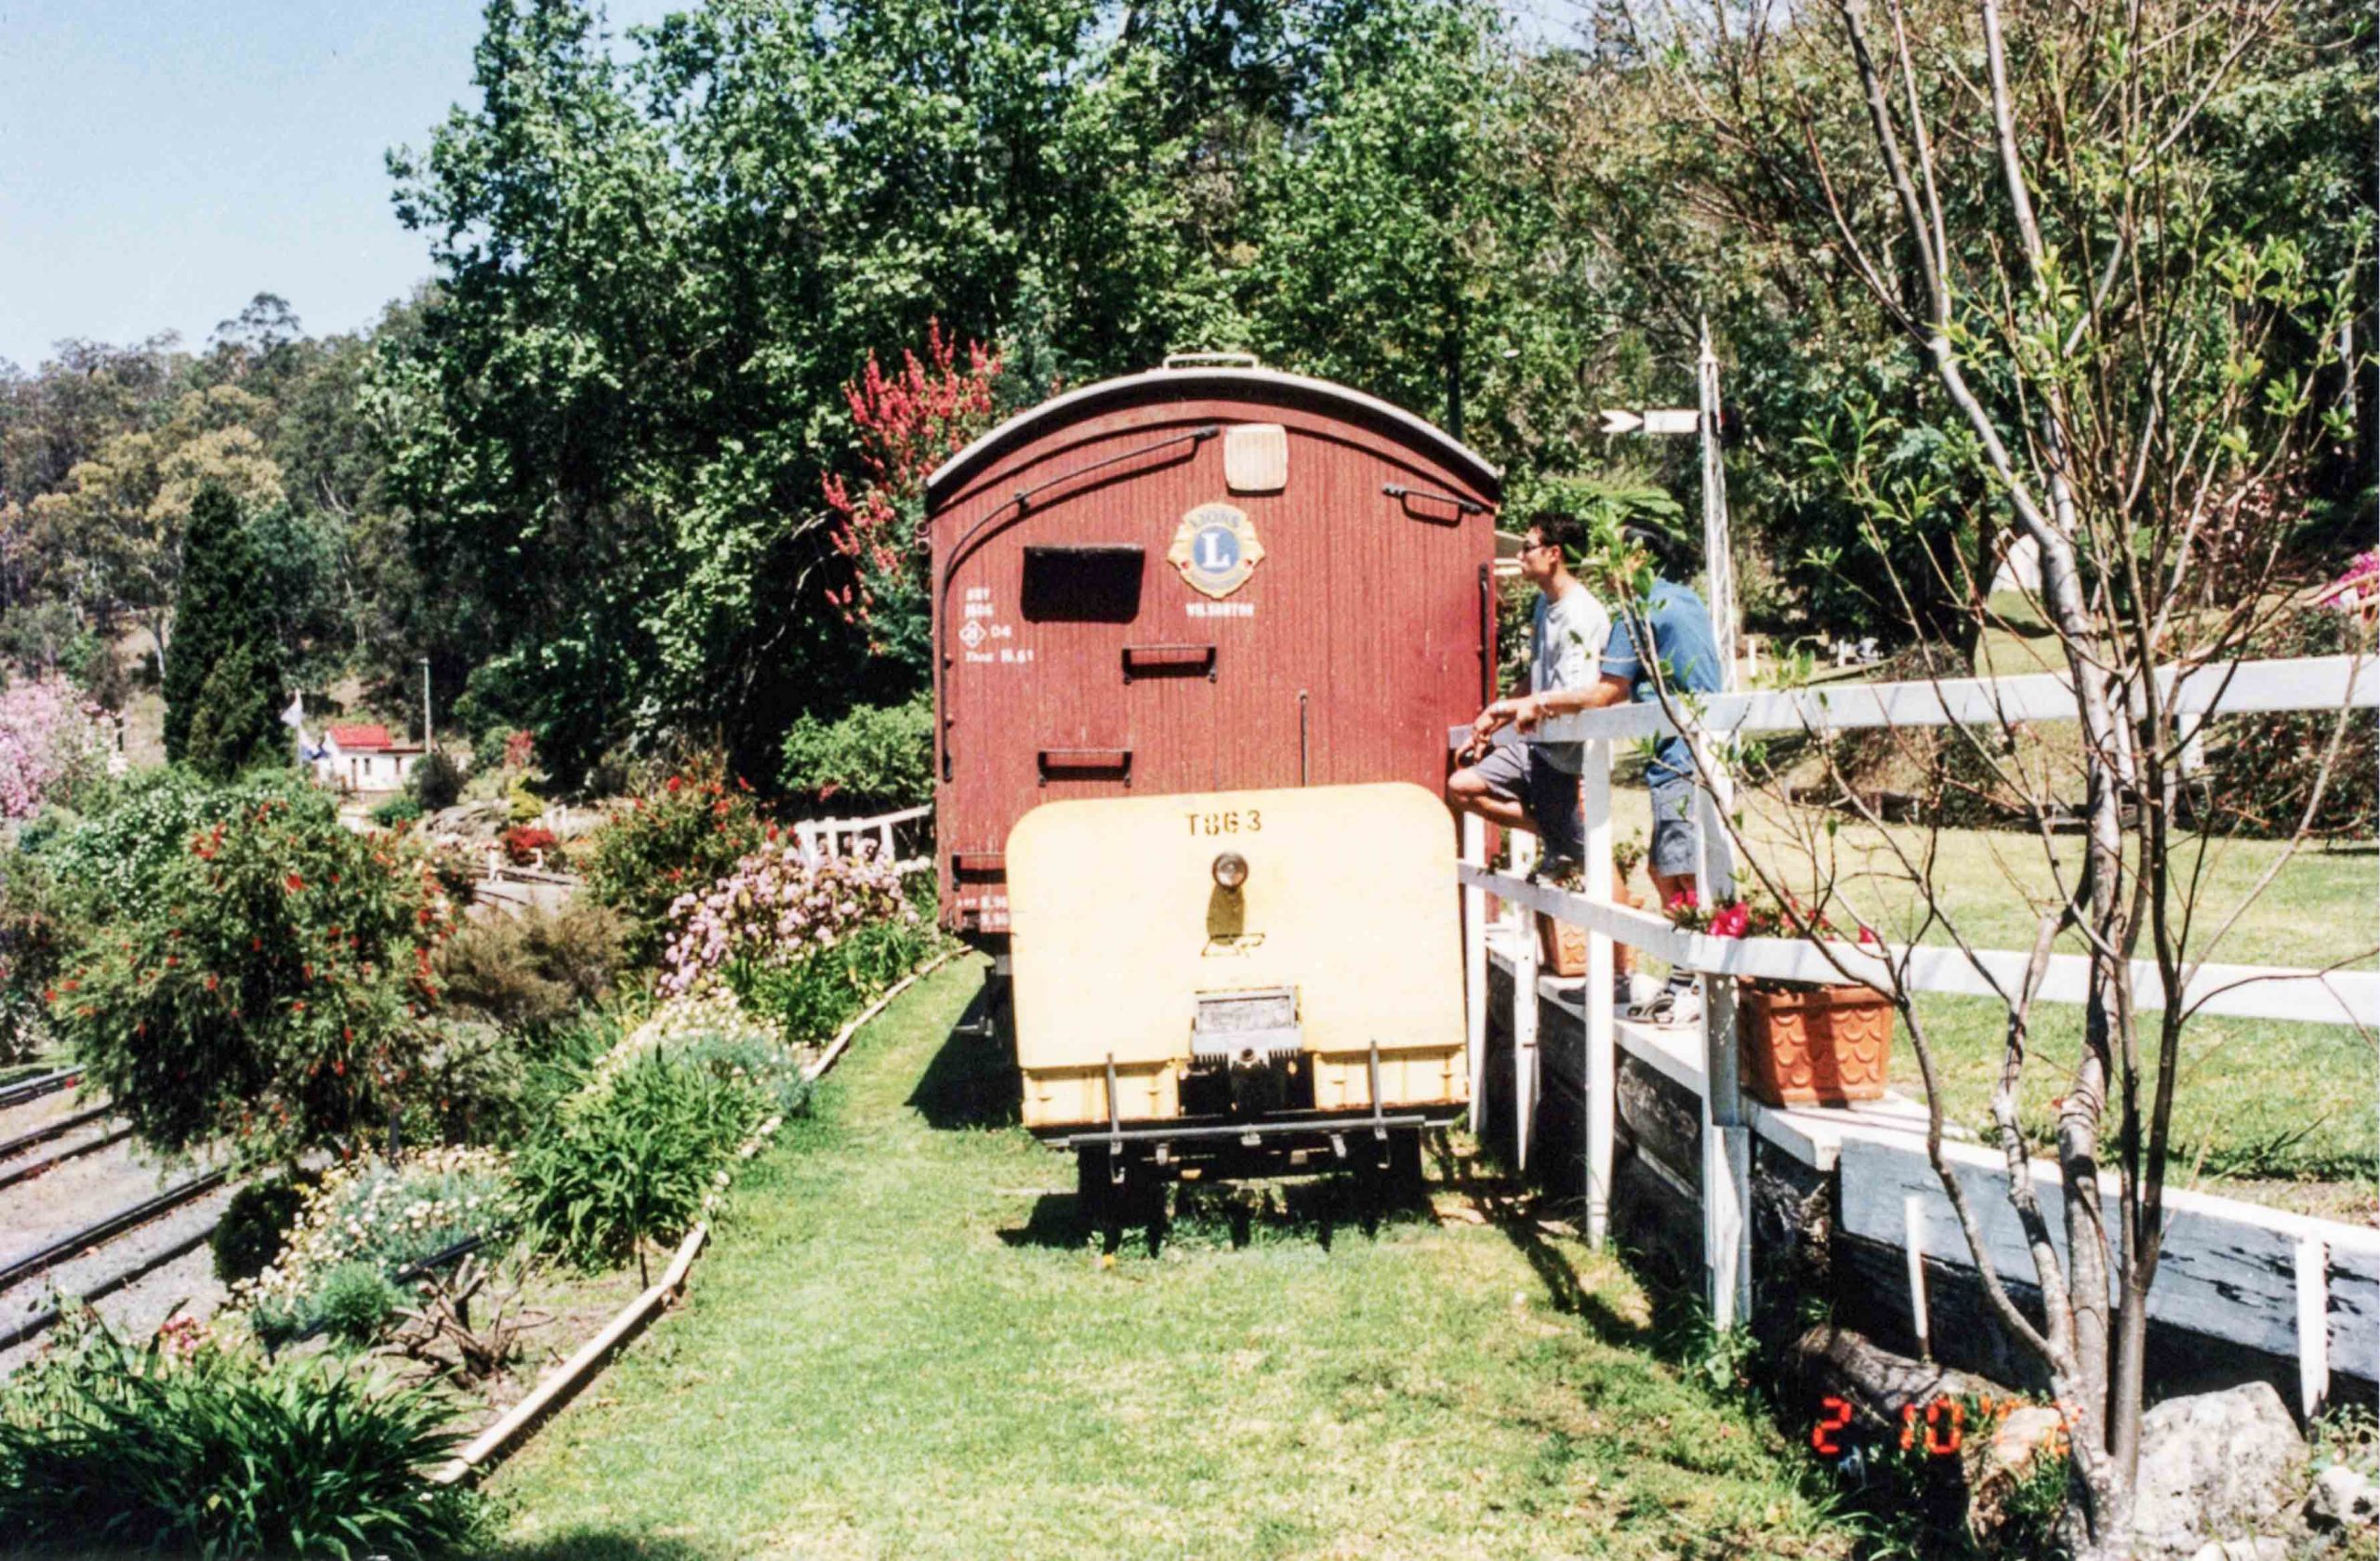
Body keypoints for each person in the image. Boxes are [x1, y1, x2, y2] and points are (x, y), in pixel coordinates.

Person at [1574, 523, 1728, 1026]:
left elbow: (1607, 691)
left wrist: (1534, 704)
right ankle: (1689, 976)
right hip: (1709, 750)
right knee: (1673, 868)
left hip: (1680, 756)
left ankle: (1695, 985)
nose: (1604, 564)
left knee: (1682, 874)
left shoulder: (1639, 608)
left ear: (1638, 559)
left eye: (1613, 553)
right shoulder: (1686, 599)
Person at [1447, 501, 1610, 879]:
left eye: (1527, 547)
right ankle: (1554, 836)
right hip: (1536, 746)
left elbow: (1577, 694)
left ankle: (1565, 844)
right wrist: (1497, 714)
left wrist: (1510, 708)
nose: (1519, 556)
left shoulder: (1581, 613)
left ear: (1554, 554)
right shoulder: (1543, 604)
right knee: (1462, 785)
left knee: (1592, 865)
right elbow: (1536, 676)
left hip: (1564, 757)